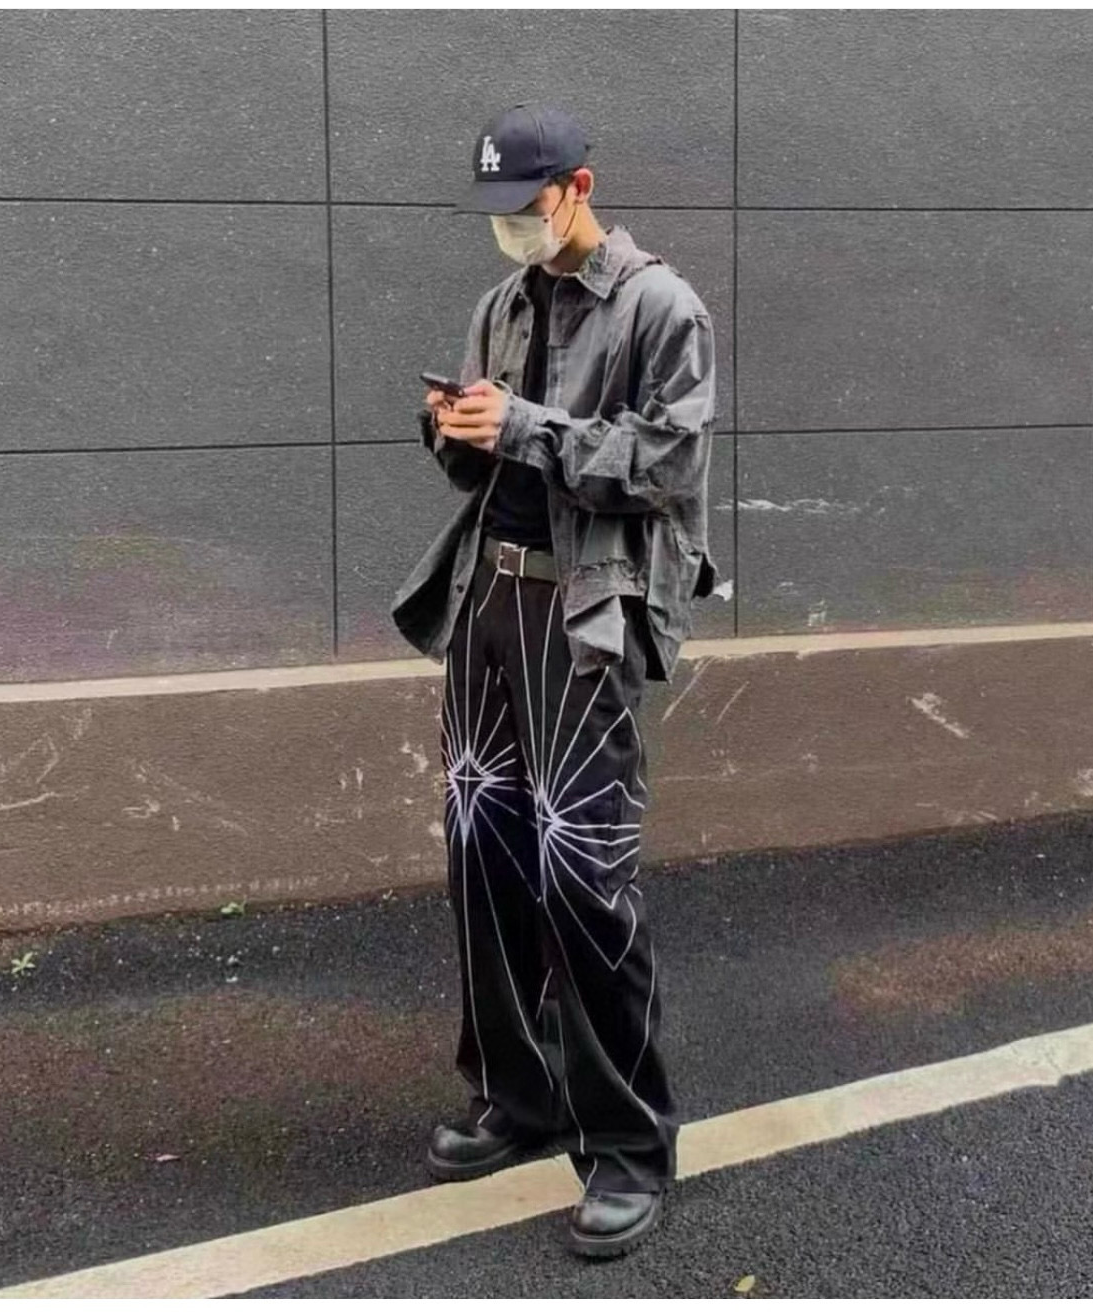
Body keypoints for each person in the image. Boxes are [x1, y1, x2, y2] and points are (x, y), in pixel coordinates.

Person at [390, 102, 719, 1260]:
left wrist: (524, 425)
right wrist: (453, 428)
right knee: (482, 853)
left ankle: (626, 1143)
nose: (511, 229)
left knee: (584, 876)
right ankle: (518, 1094)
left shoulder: (661, 308)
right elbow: (485, 470)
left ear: (578, 186)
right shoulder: (502, 304)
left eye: (525, 206)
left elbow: (669, 464)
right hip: (490, 597)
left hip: (584, 620)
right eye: (497, 211)